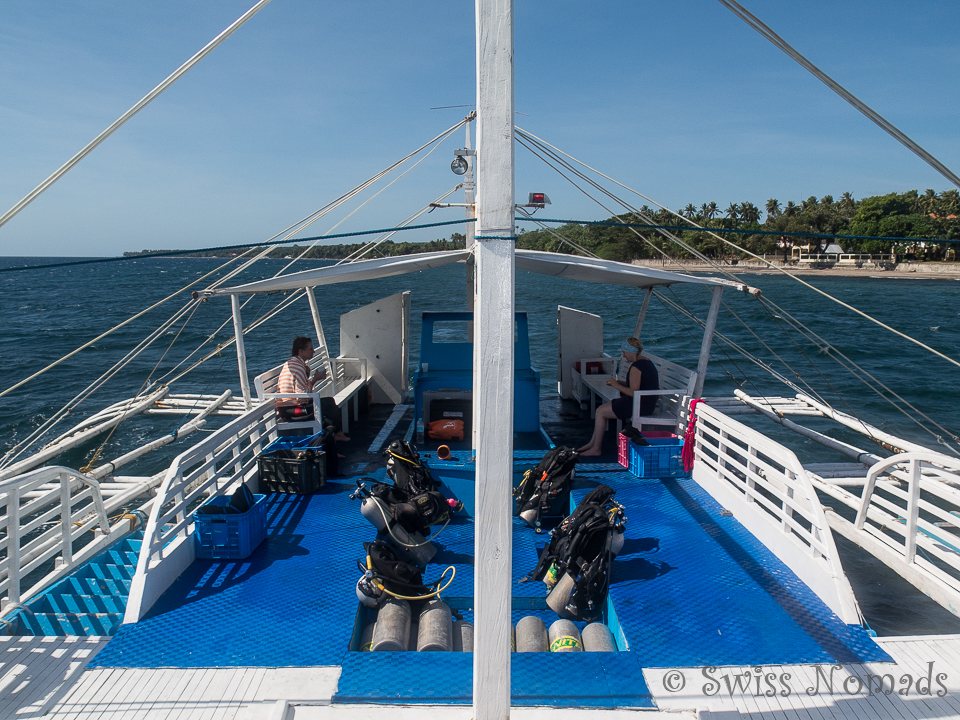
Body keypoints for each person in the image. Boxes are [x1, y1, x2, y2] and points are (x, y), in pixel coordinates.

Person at [576, 337, 658, 457]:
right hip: (645, 402)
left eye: (624, 352)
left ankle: (596, 448)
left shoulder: (636, 367)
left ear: (631, 351)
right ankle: (592, 444)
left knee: (600, 412)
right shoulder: (646, 362)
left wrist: (616, 385)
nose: (624, 356)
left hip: (639, 405)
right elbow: (638, 387)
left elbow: (633, 392)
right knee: (601, 410)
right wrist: (619, 382)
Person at [277, 336, 350, 443]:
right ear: (301, 351)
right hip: (293, 410)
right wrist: (316, 378)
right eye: (310, 349)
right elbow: (303, 395)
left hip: (287, 407)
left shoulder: (295, 364)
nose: (313, 351)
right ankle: (334, 436)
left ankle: (335, 435)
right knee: (328, 405)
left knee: (327, 403)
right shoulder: (298, 367)